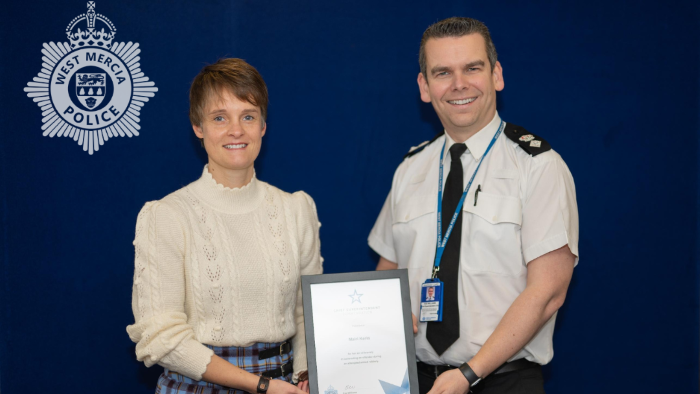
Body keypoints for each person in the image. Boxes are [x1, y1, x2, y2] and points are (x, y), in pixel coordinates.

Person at [368, 17, 578, 394]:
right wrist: (391, 310)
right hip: (415, 380)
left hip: (502, 381)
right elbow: (388, 268)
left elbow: (548, 292)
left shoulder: (538, 166)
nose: (459, 84)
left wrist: (469, 373)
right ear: (424, 87)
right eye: (443, 72)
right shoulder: (410, 169)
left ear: (496, 75)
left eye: (472, 68)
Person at [127, 58, 323, 394]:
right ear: (198, 127)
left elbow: (309, 312)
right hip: (199, 386)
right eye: (220, 118)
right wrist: (260, 386)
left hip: (285, 385)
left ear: (263, 125)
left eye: (248, 116)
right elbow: (160, 336)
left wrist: (304, 375)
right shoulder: (167, 216)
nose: (236, 130)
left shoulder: (296, 209)